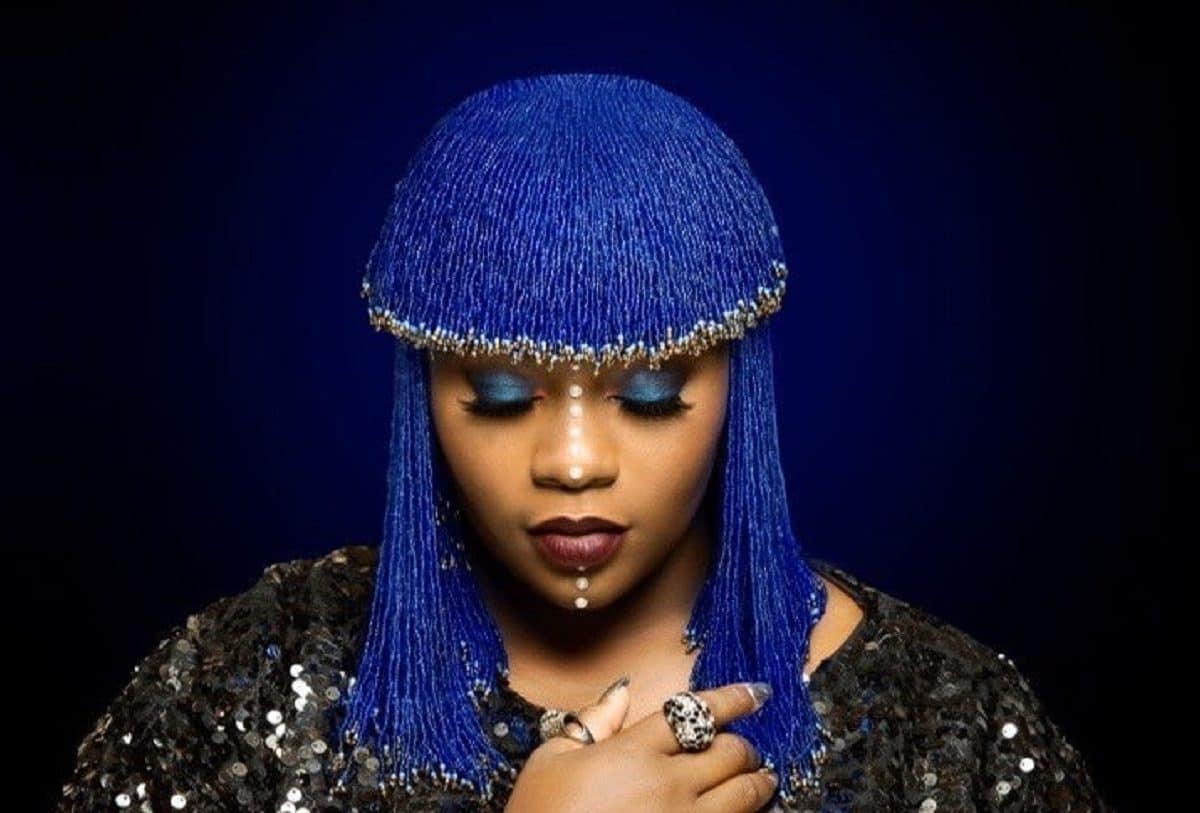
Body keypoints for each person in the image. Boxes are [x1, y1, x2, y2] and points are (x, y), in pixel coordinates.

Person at [57, 73, 1112, 812]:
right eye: (500, 393)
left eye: (648, 393)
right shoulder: (238, 691)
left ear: (738, 382)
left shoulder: (951, 722)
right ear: (423, 386)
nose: (572, 461)